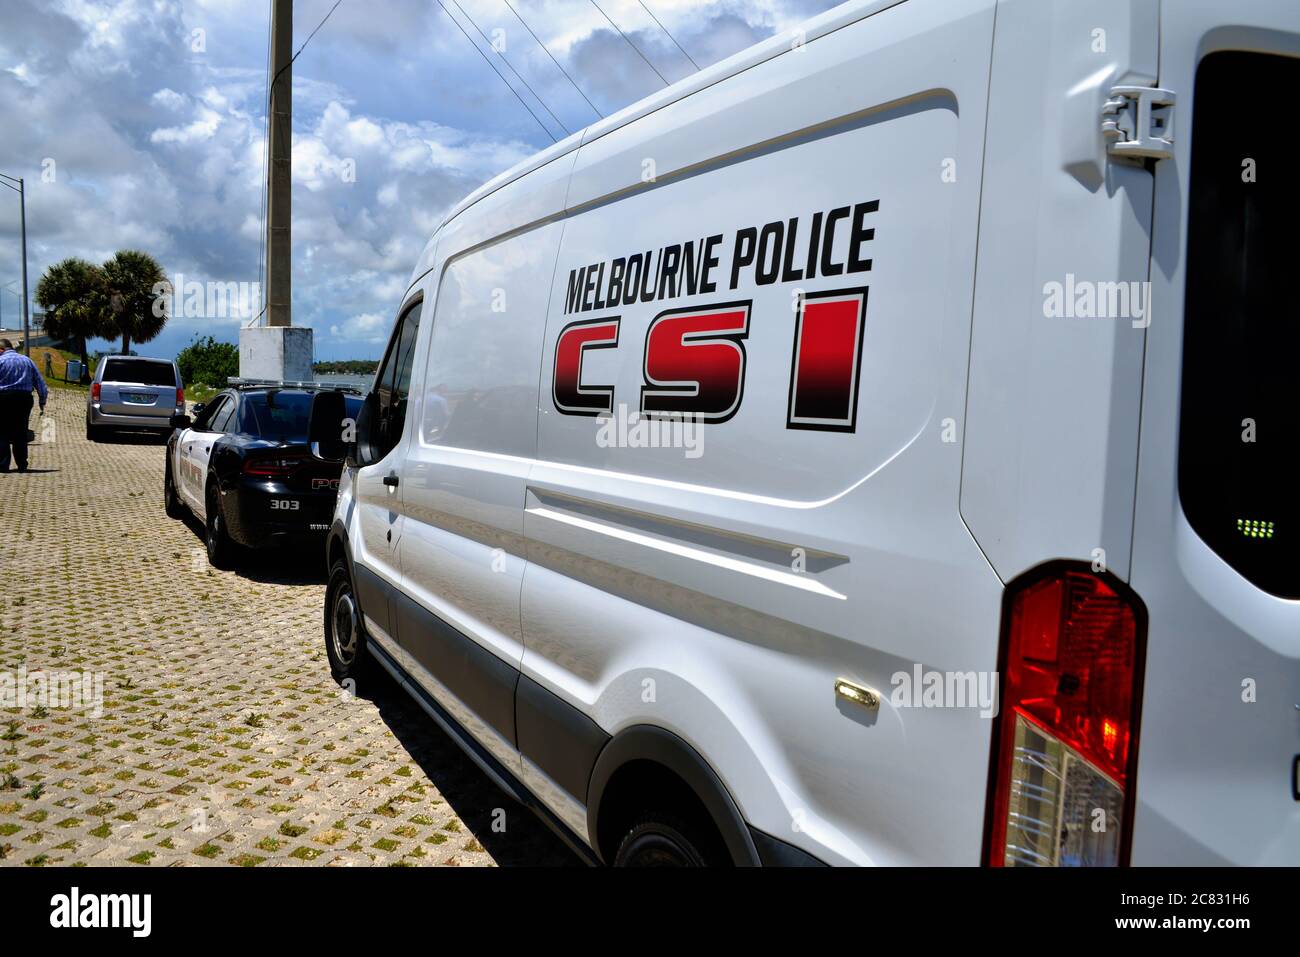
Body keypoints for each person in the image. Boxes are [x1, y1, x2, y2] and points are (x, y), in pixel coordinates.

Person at [0, 338, 48, 473]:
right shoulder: (27, 361)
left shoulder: (1, 361)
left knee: (2, 431)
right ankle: (22, 464)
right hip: (23, 399)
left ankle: (3, 464)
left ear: (2, 349)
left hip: (3, 398)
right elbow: (40, 382)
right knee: (20, 431)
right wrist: (42, 400)